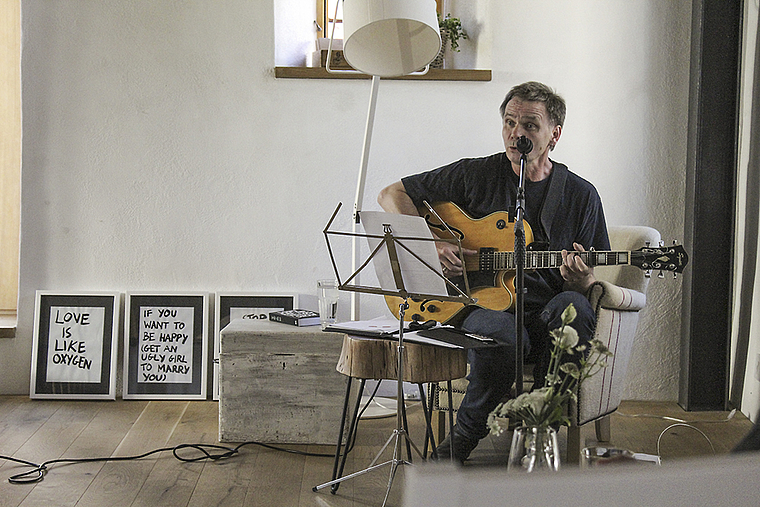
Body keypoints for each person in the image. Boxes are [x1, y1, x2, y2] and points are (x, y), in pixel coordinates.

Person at [377, 81, 610, 463]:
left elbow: (591, 280)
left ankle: (543, 432)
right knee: (506, 334)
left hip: (544, 310)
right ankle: (460, 445)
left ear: (555, 135)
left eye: (530, 125)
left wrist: (580, 279)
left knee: (576, 309)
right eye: (509, 122)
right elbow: (391, 194)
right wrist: (430, 243)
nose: (516, 133)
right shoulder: (475, 174)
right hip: (476, 305)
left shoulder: (581, 195)